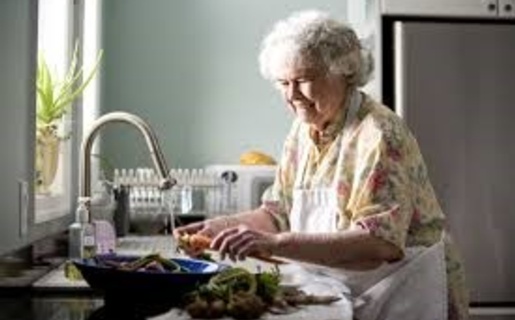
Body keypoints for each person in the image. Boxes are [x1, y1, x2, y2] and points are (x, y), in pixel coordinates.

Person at [174, 10, 468, 320]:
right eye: (283, 83)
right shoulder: (304, 129)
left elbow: (378, 244)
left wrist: (274, 244)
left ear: (344, 72)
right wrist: (214, 229)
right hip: (348, 291)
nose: (291, 95)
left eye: (302, 80)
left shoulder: (379, 134)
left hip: (405, 292)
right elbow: (277, 212)